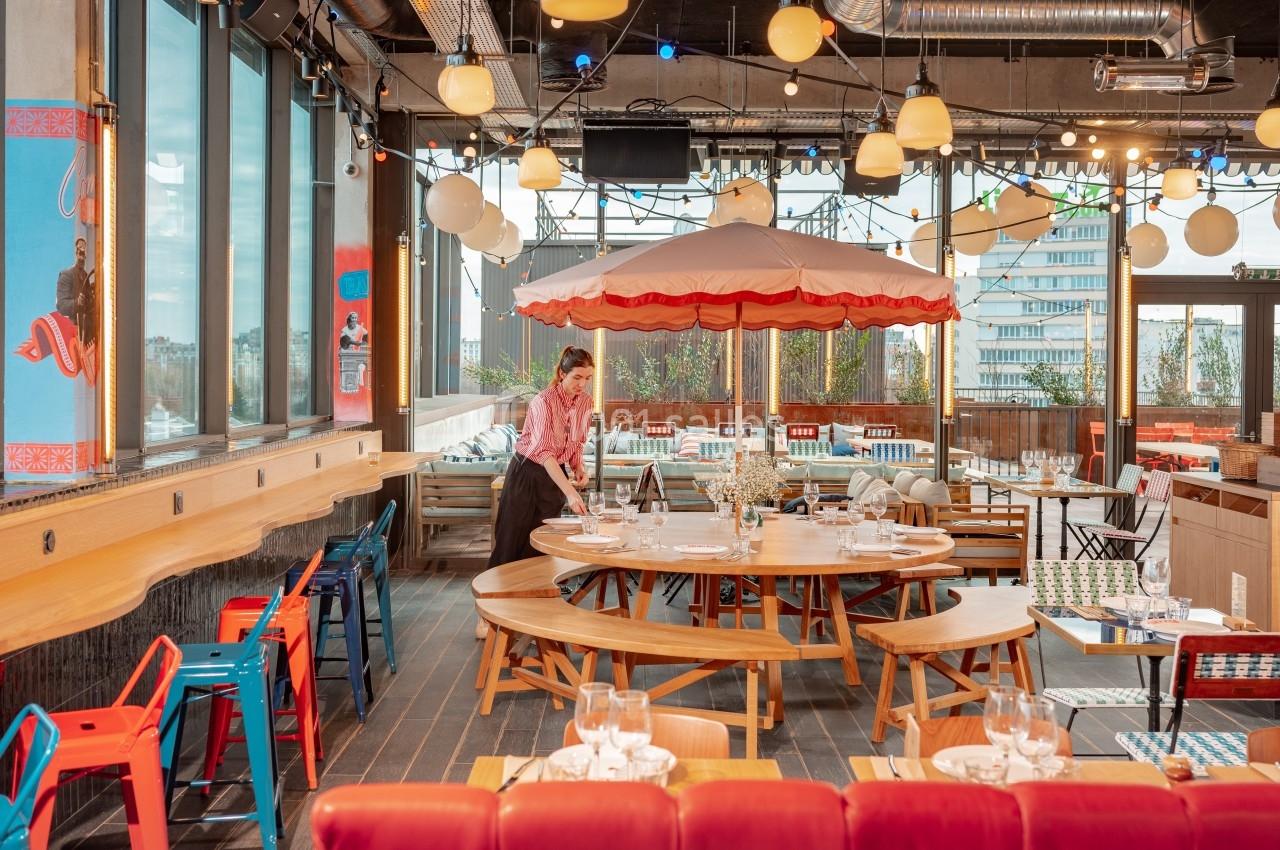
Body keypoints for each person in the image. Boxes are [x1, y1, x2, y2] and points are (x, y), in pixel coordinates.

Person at [487, 345, 594, 568]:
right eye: (577, 377)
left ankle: (539, 587)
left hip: (554, 475)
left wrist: (578, 467)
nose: (582, 384)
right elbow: (545, 453)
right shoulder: (543, 401)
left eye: (587, 378)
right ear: (562, 374)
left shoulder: (586, 402)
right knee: (511, 541)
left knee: (544, 543)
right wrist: (571, 492)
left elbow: (577, 441)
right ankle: (499, 589)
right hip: (526, 473)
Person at [56, 236, 95, 347]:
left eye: (84, 250)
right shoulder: (66, 275)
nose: (82, 253)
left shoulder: (85, 275)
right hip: (75, 336)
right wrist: (77, 302)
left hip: (88, 334)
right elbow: (62, 305)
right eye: (79, 249)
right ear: (76, 252)